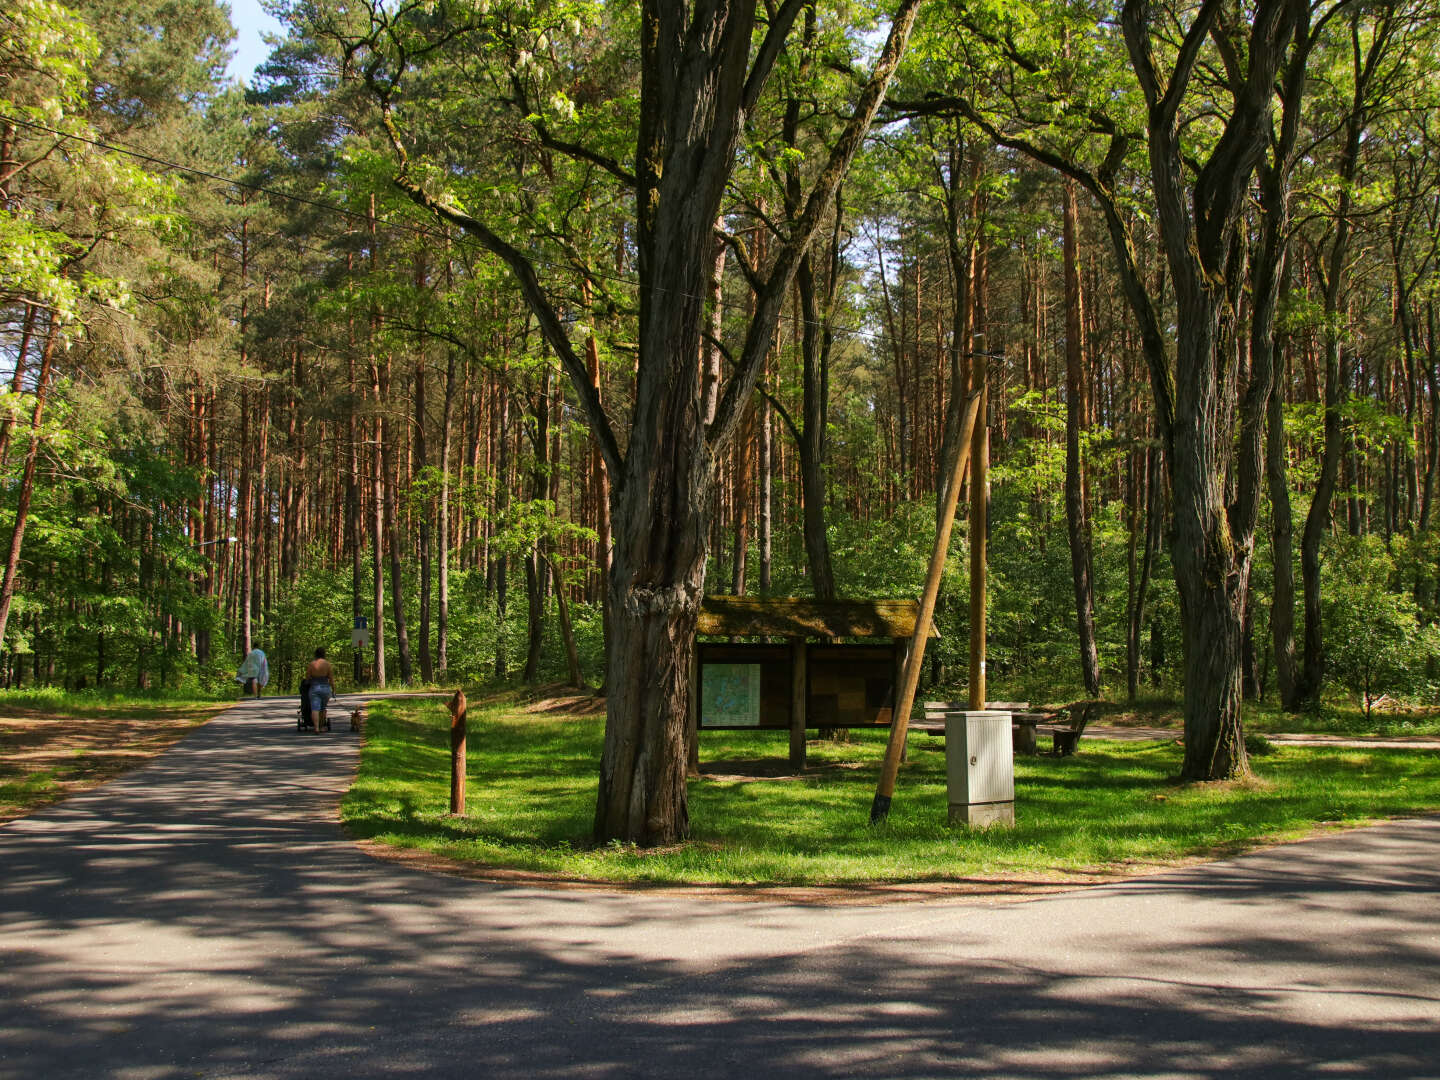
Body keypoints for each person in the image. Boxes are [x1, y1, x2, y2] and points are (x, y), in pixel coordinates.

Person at [306, 647, 335, 732]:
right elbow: (331, 679)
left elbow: (307, 677)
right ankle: (322, 727)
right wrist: (333, 689)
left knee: (315, 708)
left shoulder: (312, 664)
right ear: (324, 654)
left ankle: (316, 728)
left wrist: (309, 681)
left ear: (315, 654)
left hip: (314, 688)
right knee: (323, 708)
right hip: (325, 688)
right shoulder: (327, 664)